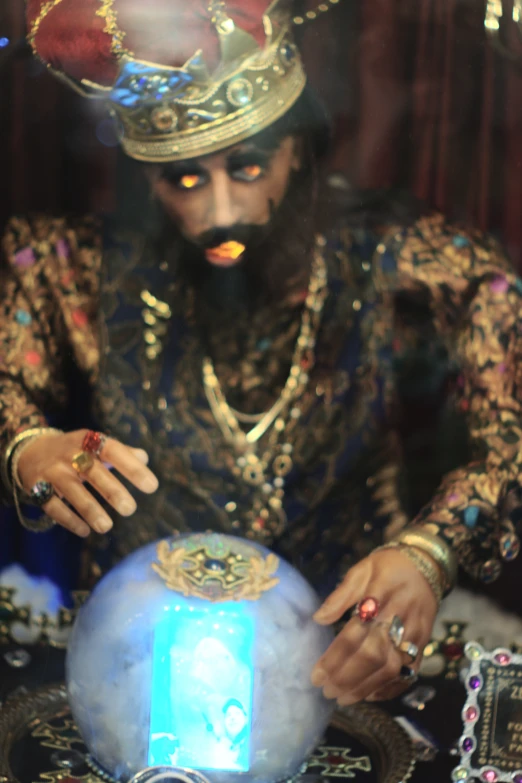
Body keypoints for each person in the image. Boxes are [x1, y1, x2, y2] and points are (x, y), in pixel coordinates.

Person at [1, 0, 521, 708]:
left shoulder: (402, 260)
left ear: (299, 148)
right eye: (184, 178)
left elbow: (511, 431)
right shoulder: (77, 269)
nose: (220, 213)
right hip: (138, 680)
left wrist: (432, 550)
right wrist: (26, 445)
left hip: (347, 674)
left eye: (246, 167)